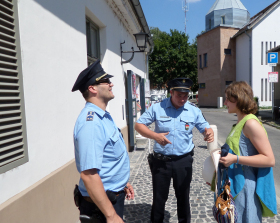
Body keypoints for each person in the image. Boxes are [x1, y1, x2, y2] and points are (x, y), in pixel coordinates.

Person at [135, 77, 214, 223]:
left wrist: (208, 132)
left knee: (183, 197)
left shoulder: (193, 110)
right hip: (161, 161)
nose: (183, 99)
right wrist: (155, 136)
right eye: (179, 95)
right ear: (171, 92)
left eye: (185, 96)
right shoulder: (158, 108)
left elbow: (205, 127)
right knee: (159, 198)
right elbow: (139, 125)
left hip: (183, 161)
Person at [72, 60, 134, 223]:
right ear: (92, 88)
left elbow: (108, 157)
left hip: (112, 197)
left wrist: (122, 183)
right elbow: (89, 175)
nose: (111, 84)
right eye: (106, 81)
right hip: (100, 208)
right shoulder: (91, 123)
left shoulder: (103, 116)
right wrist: (111, 215)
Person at [217, 81, 277, 223]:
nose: (225, 102)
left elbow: (269, 159)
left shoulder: (250, 123)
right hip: (234, 185)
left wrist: (235, 159)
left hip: (245, 189)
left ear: (237, 99)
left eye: (227, 99)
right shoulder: (240, 123)